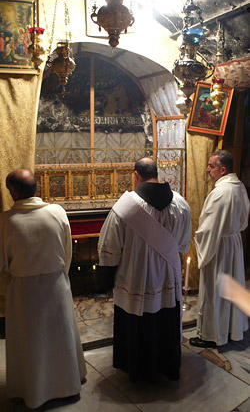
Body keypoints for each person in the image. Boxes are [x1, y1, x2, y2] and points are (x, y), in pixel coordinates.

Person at [98, 157, 191, 382]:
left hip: (134, 281)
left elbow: (109, 249)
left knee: (138, 326)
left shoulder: (124, 208)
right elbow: (182, 244)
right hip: (167, 281)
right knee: (164, 322)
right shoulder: (181, 204)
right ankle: (166, 367)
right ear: (157, 174)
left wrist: (105, 282)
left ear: (136, 175)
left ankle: (138, 370)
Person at [0, 169, 86, 409]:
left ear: (14, 193)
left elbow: (2, 264)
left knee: (29, 342)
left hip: (23, 292)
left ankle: (31, 391)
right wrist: (58, 276)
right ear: (37, 189)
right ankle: (68, 385)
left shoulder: (5, 221)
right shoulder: (57, 212)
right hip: (55, 284)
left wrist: (11, 286)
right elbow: (68, 252)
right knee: (60, 336)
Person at [190, 150, 250, 348]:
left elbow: (208, 228)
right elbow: (243, 219)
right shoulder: (239, 186)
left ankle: (212, 335)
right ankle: (233, 330)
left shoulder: (220, 192)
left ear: (223, 170)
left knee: (215, 290)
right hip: (233, 242)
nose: (207, 169)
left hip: (219, 246)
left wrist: (198, 240)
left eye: (211, 166)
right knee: (232, 287)